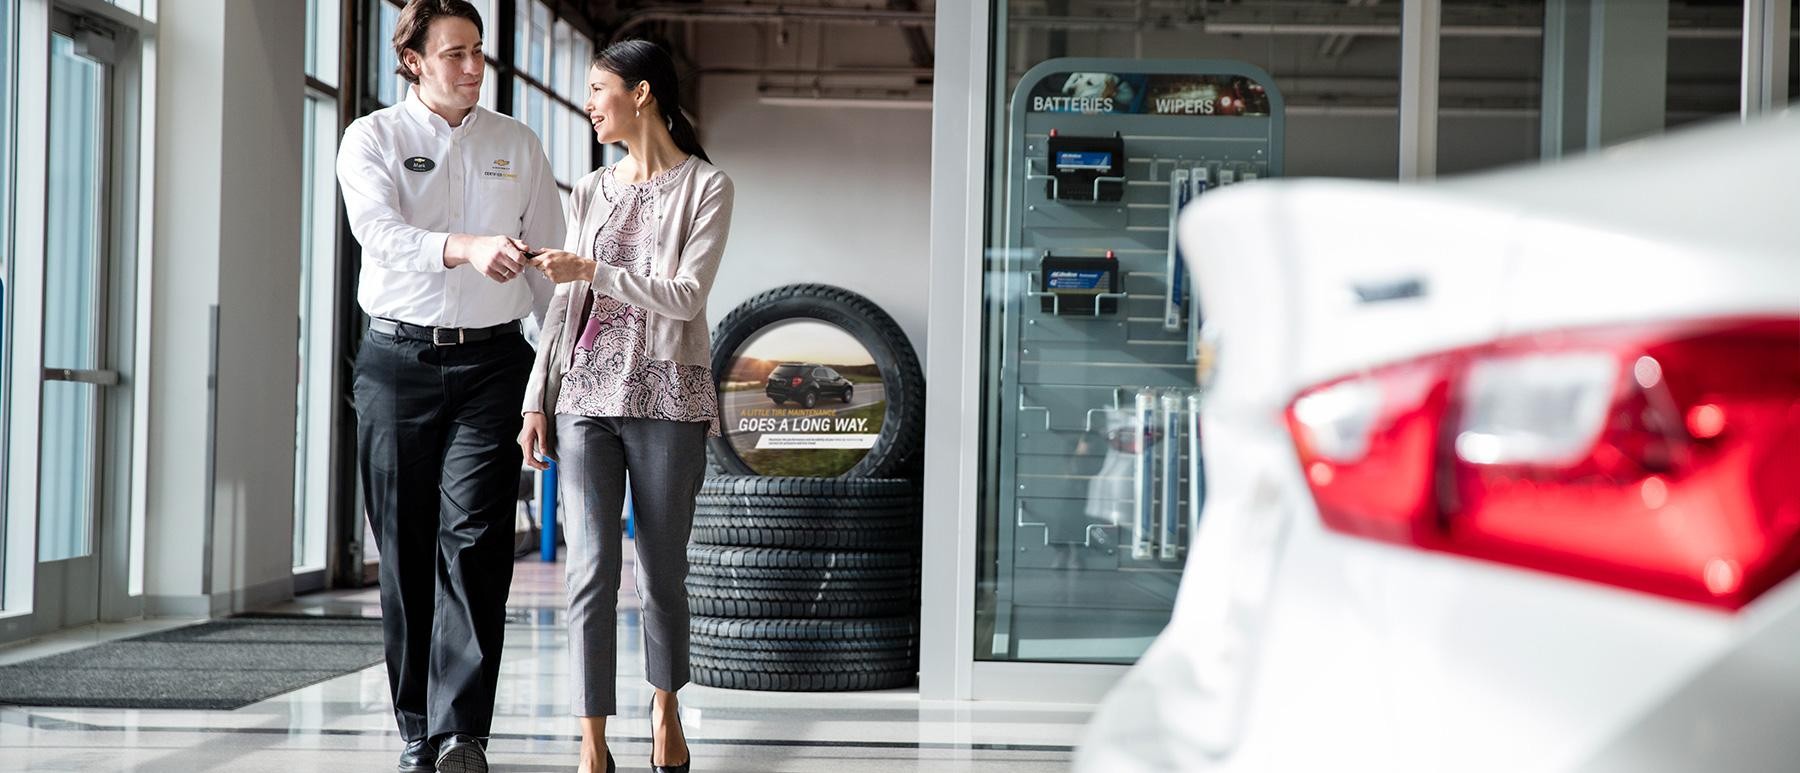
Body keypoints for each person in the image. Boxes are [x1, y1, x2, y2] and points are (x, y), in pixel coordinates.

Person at [335, 1, 562, 771]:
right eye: (455, 54)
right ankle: (415, 728)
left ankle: (463, 730)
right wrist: (466, 247)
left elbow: (550, 276)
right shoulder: (372, 139)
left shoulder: (517, 144)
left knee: (475, 545)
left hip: (495, 366)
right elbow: (381, 235)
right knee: (402, 552)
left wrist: (552, 381)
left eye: (479, 52)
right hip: (396, 362)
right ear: (413, 62)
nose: (473, 68)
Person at [518, 38, 733, 773]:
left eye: (598, 89)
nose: (589, 104)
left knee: (663, 571)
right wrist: (535, 399)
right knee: (590, 569)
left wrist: (595, 269)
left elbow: (687, 296)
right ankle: (592, 741)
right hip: (583, 397)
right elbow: (565, 304)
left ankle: (666, 704)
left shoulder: (707, 187)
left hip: (668, 396)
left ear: (641, 93)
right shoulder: (590, 189)